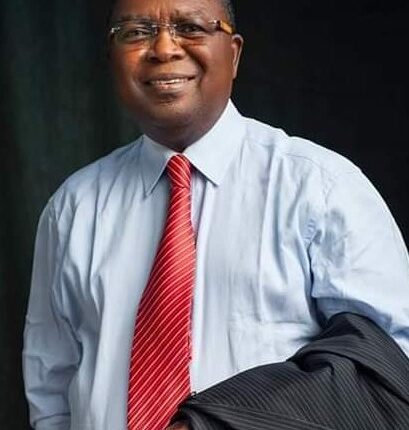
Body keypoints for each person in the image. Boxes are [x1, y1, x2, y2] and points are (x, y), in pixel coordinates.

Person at [23, 0, 409, 429]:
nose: (164, 48)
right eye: (136, 32)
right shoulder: (72, 209)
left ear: (234, 53)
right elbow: (51, 390)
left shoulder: (319, 188)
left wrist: (221, 420)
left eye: (190, 27)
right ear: (111, 58)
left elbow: (390, 371)